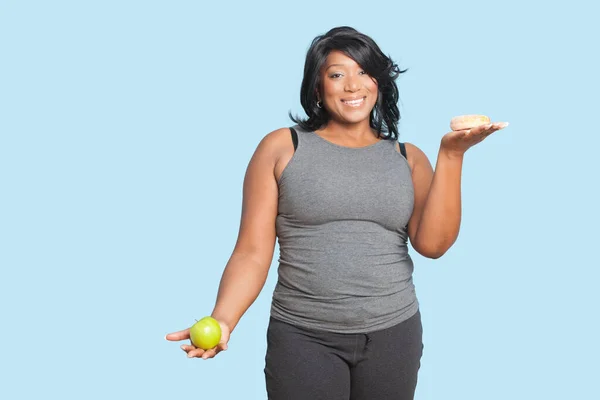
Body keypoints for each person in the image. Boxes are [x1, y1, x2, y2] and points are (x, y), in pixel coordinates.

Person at [166, 26, 508, 399]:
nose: (352, 85)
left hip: (394, 334)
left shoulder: (408, 159)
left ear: (379, 83)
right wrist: (224, 318)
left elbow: (433, 245)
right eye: (337, 74)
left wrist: (452, 155)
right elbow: (251, 251)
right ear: (318, 87)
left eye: (363, 72)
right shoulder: (282, 147)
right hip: (303, 336)